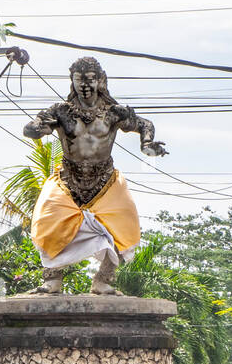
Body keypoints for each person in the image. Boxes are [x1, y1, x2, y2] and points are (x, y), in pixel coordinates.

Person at [23, 56, 166, 294]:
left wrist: (147, 144)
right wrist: (36, 129)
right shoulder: (61, 112)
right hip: (68, 180)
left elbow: (144, 124)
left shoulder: (113, 113)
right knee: (46, 223)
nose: (85, 86)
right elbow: (33, 127)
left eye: (90, 80)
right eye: (79, 80)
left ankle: (103, 281)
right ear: (72, 82)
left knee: (124, 226)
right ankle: (52, 280)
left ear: (100, 81)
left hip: (105, 182)